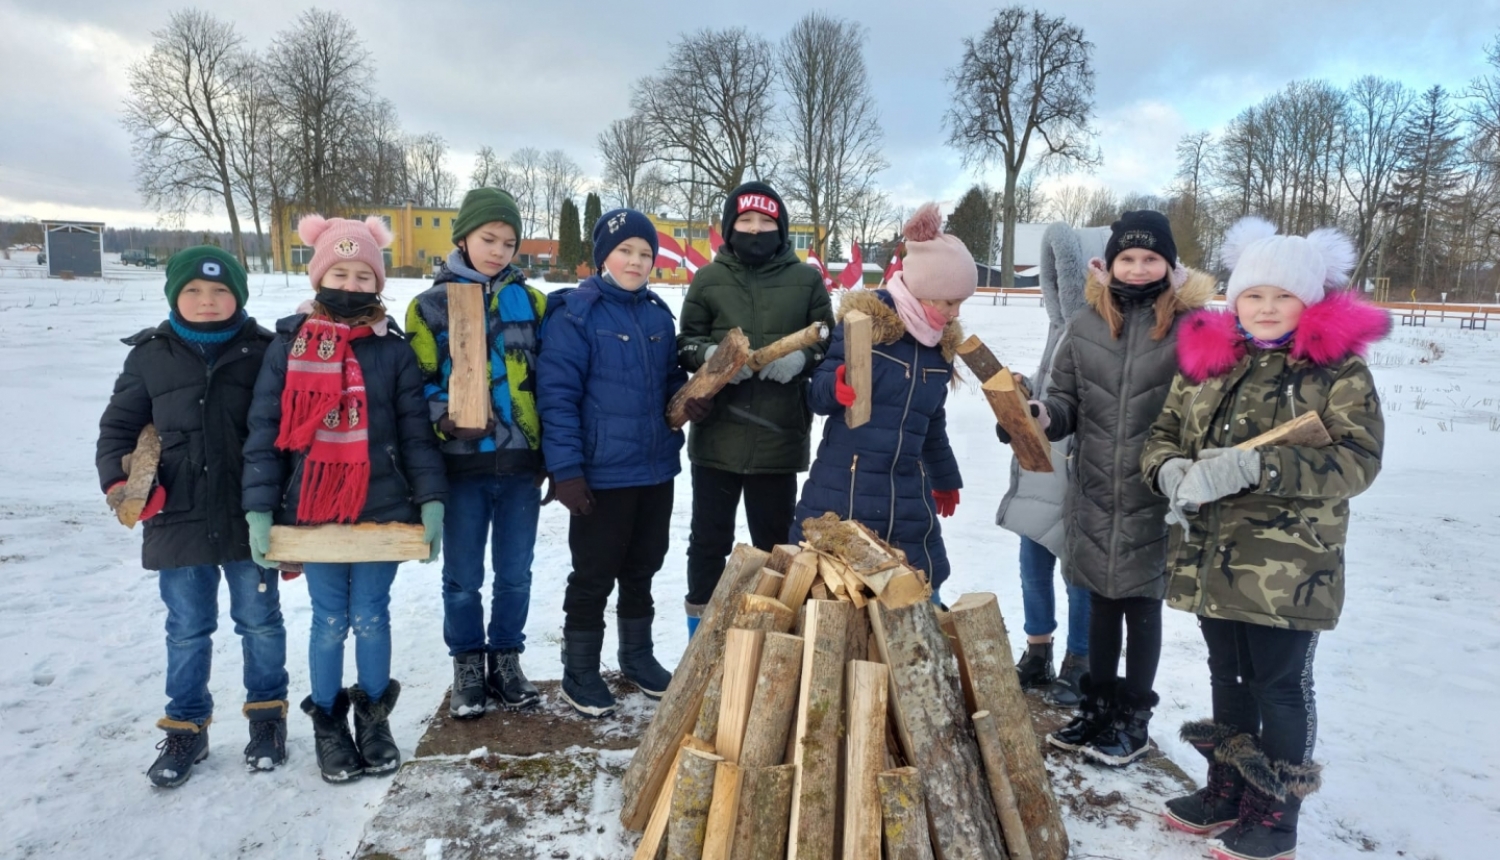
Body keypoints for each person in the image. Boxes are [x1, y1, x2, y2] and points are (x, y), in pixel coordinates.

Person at [1142, 218, 1386, 860]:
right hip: (1210, 558)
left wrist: (1259, 466)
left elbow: (1358, 462)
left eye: (1283, 295)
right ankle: (1227, 792)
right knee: (1228, 675)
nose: (1268, 307)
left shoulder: (1336, 372)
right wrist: (1167, 469)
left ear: (1310, 300)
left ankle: (1275, 817)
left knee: (1278, 686)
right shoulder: (1207, 365)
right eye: (1255, 295)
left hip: (1289, 567)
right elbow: (1163, 433)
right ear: (1236, 298)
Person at [1002, 210, 1214, 766]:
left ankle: (1133, 719)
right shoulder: (1086, 324)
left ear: (1169, 265)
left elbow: (1208, 410)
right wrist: (1040, 416)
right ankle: (1096, 708)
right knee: (1098, 603)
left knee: (1142, 609)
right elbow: (1067, 402)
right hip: (1094, 489)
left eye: (1151, 259)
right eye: (1128, 258)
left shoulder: (1193, 328)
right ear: (1110, 264)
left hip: (1154, 494)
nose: (1139, 268)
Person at [242, 215, 446, 783]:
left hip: (381, 510)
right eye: (341, 272)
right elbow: (264, 431)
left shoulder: (394, 352)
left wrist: (431, 501)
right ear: (318, 274)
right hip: (312, 510)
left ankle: (374, 721)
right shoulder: (287, 346)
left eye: (364, 275)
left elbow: (414, 434)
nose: (352, 285)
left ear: (377, 282)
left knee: (372, 618)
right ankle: (329, 724)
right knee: (331, 620)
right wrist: (260, 509)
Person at [96, 246, 288, 788]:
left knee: (260, 621)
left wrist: (291, 522)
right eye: (194, 292)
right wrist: (122, 487)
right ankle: (187, 725)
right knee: (186, 628)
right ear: (175, 296)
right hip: (175, 517)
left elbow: (285, 438)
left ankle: (267, 718)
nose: (208, 301)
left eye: (221, 290)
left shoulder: (265, 351)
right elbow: (116, 432)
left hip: (248, 515)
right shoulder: (150, 356)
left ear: (239, 296)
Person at [536, 208, 710, 717]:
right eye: (625, 251)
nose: (636, 262)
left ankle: (637, 655)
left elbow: (667, 382)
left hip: (654, 469)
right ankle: (580, 671)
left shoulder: (658, 314)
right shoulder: (575, 314)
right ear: (602, 257)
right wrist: (565, 471)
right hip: (601, 473)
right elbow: (558, 397)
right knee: (594, 573)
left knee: (643, 568)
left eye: (644, 254)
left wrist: (690, 397)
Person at [406, 188, 549, 717]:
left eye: (509, 242)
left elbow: (549, 381)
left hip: (519, 466)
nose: (499, 251)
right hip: (460, 466)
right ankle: (467, 662)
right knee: (463, 577)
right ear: (463, 236)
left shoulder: (532, 304)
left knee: (516, 572)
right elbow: (414, 382)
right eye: (489, 239)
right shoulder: (428, 307)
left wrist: (549, 453)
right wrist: (443, 416)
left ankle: (506, 658)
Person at [788, 203, 971, 601]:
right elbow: (815, 392)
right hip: (845, 489)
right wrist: (832, 387)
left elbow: (931, 421)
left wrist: (944, 477)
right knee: (838, 605)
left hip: (906, 493)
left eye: (961, 303)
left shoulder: (937, 348)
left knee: (918, 594)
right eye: (948, 302)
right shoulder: (865, 327)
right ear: (923, 288)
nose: (955, 313)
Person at [676, 181, 834, 634]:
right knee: (709, 542)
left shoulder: (806, 279)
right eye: (745, 221)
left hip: (778, 438)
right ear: (730, 226)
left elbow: (827, 338)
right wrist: (712, 358)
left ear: (781, 228)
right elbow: (685, 344)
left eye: (766, 222)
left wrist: (801, 358)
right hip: (717, 438)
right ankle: (699, 640)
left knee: (777, 547)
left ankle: (776, 645)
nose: (756, 229)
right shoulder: (709, 278)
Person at [995, 222, 1106, 705]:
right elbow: (1050, 393)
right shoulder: (1058, 329)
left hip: (1081, 469)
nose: (1058, 291)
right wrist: (1021, 409)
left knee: (1076, 570)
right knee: (1032, 562)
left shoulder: (1103, 333)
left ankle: (1079, 660)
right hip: (1042, 467)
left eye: (1067, 280)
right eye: (1054, 282)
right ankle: (1037, 649)